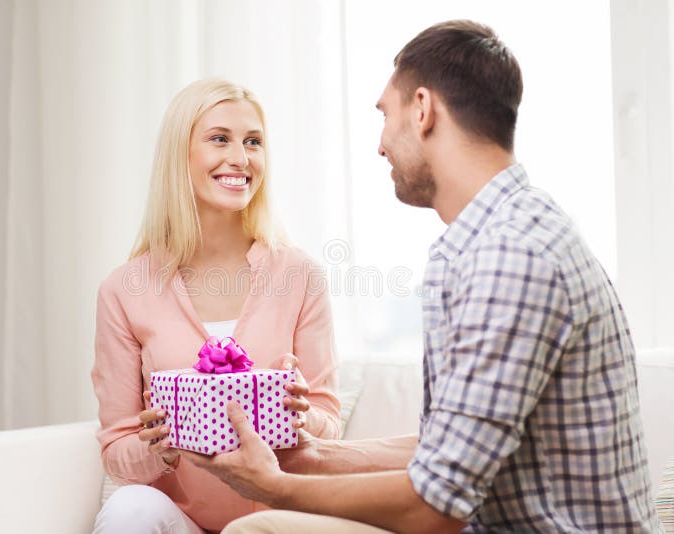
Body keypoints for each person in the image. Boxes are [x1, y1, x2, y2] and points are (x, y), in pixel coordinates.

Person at [183, 20, 665, 533]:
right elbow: (450, 450)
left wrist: (273, 487)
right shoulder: (501, 235)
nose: (381, 145)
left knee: (258, 529)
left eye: (384, 115)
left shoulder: (509, 256)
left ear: (421, 108)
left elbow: (438, 505)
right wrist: (313, 456)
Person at [90, 78, 342, 534]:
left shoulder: (299, 274)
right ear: (178, 155)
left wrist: (304, 417)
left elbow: (329, 423)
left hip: (279, 516)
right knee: (131, 511)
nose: (240, 159)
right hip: (182, 520)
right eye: (219, 139)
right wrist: (156, 448)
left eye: (253, 142)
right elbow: (116, 452)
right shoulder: (123, 290)